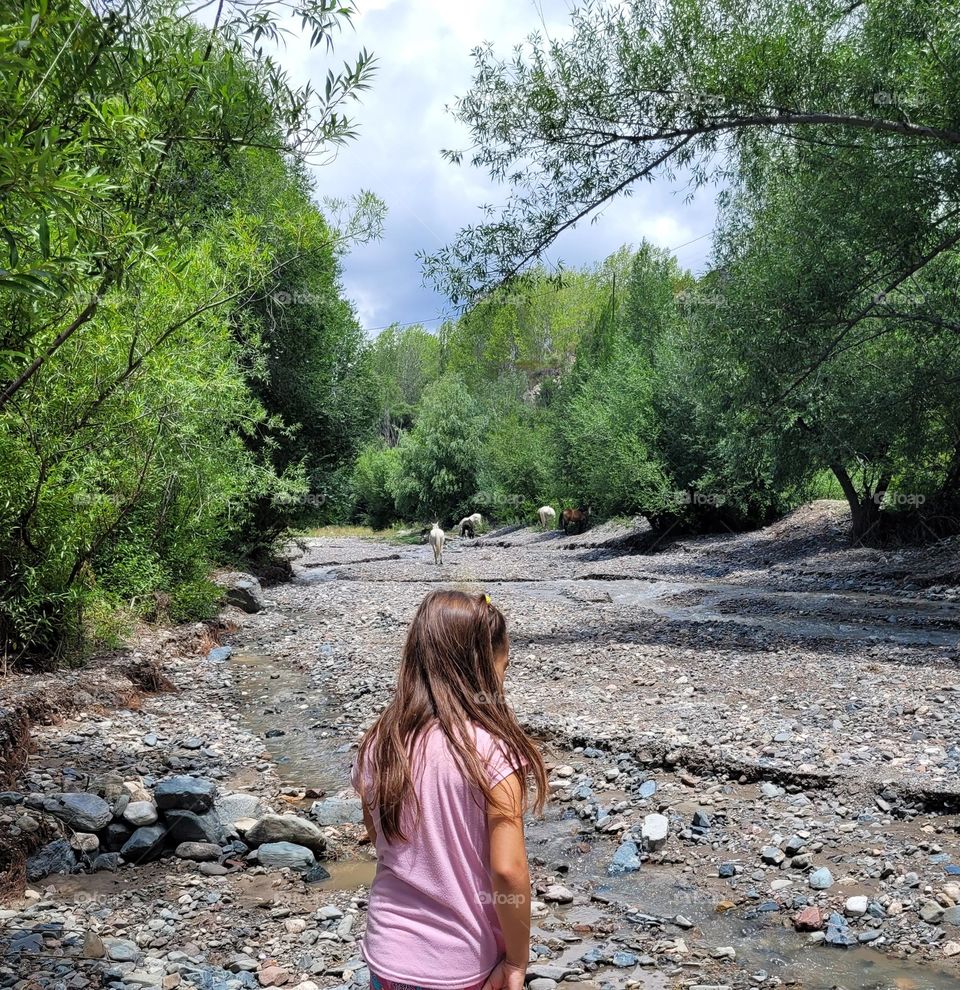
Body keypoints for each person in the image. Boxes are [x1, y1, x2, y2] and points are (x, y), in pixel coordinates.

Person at [351, 590, 548, 990]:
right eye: (503, 666)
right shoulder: (492, 751)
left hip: (387, 956)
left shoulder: (379, 743)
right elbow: (508, 870)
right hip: (459, 965)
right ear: (486, 667)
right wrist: (516, 960)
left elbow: (381, 839)